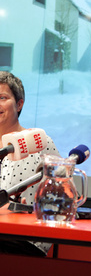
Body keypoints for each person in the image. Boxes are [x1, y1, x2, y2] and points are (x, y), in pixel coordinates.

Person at [0, 71, 59, 256]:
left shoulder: (39, 143)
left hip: (24, 239)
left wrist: (27, 212)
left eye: (2, 97)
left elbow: (63, 196)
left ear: (19, 104)